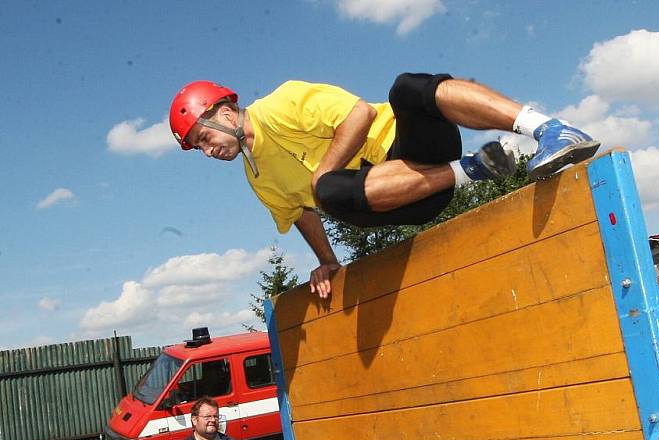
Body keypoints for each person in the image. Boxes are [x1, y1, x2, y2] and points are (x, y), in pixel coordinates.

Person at [169, 73, 600, 299]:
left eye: (204, 139)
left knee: (407, 88)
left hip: (412, 147)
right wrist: (327, 261)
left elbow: (359, 114)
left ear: (224, 114)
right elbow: (299, 214)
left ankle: (549, 129)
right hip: (399, 199)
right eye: (198, 149)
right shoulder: (257, 177)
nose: (208, 151)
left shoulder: (280, 105)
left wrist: (324, 171)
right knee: (331, 193)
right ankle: (472, 170)